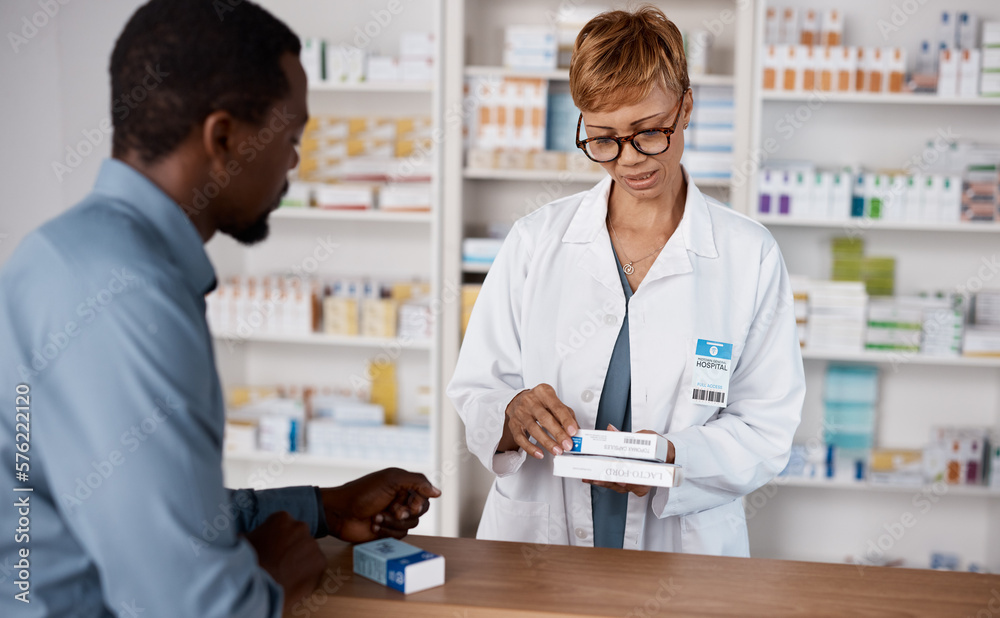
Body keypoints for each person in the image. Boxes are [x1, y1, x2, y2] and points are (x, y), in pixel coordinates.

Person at [0, 1, 439, 616]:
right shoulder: (129, 297)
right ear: (224, 137)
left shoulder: (72, 252)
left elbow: (137, 503)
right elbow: (191, 605)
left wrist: (320, 507)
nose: (294, 161)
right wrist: (268, 580)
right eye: (290, 136)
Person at [448, 6, 804, 556]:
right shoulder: (535, 240)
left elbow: (766, 428)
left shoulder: (747, 256)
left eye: (648, 132)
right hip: (538, 542)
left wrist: (671, 459)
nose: (628, 160)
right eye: (604, 138)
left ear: (686, 107)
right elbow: (477, 385)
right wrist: (509, 411)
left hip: (683, 550)